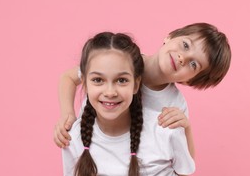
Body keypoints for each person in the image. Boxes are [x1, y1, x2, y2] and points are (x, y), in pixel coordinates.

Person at [62, 32, 202, 176]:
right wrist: (67, 114)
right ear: (85, 84)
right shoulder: (74, 140)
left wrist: (187, 129)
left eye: (121, 80)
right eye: (98, 80)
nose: (110, 91)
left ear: (136, 85)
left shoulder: (166, 124)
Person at [54, 23, 231, 157]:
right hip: (93, 149)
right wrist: (67, 113)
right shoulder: (124, 60)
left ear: (190, 80)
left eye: (193, 64)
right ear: (170, 36)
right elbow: (68, 77)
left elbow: (186, 161)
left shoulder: (174, 104)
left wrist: (187, 127)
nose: (182, 57)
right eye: (185, 45)